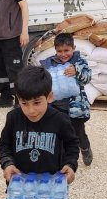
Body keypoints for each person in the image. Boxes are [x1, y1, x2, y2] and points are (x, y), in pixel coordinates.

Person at [0, 66, 79, 184]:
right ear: (18, 99)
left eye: (37, 102)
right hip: (20, 186)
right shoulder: (13, 118)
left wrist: (70, 165)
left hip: (51, 185)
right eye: (24, 103)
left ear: (49, 97)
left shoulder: (60, 120)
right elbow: (4, 144)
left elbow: (72, 145)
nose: (31, 111)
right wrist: (7, 164)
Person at [40, 33, 94, 166]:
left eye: (66, 50)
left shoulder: (79, 62)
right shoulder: (50, 63)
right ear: (55, 50)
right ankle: (64, 159)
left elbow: (87, 78)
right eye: (59, 51)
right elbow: (43, 81)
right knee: (59, 133)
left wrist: (77, 71)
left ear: (73, 48)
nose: (63, 54)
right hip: (56, 107)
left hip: (75, 108)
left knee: (78, 132)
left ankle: (85, 147)